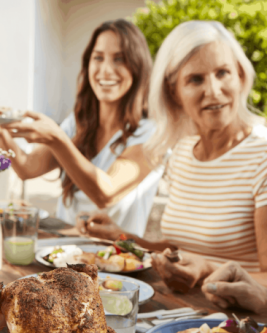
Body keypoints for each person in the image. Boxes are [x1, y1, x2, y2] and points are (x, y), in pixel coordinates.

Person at [82, 20, 267, 312]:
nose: (214, 90)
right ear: (173, 92)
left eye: (223, 73)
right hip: (181, 313)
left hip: (245, 331)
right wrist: (122, 237)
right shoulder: (182, 152)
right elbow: (180, 250)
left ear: (241, 76)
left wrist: (206, 268)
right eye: (195, 79)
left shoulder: (263, 155)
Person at [0, 19, 162, 236]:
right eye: (98, 57)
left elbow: (106, 193)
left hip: (116, 261)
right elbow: (27, 168)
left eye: (119, 59)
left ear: (138, 68)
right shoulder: (79, 122)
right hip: (62, 255)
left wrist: (56, 138)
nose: (106, 70)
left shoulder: (152, 135)